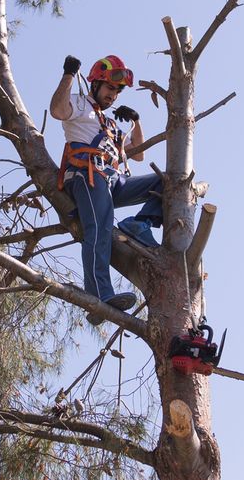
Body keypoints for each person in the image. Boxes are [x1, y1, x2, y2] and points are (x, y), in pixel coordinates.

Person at [51, 53, 163, 319]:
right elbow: (57, 110)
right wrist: (68, 74)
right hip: (88, 176)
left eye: (117, 91)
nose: (113, 95)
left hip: (113, 180)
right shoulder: (80, 105)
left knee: (165, 181)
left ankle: (140, 223)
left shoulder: (110, 124)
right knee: (99, 228)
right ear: (95, 84)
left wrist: (136, 122)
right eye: (110, 88)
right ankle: (98, 295)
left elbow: (138, 154)